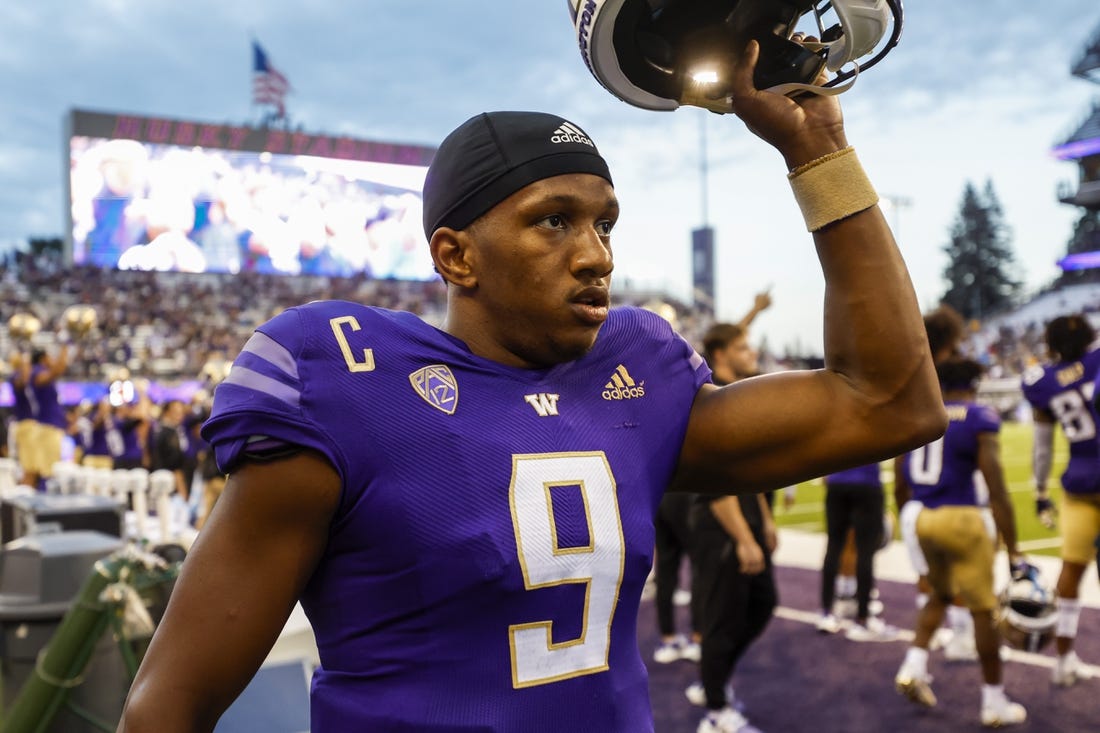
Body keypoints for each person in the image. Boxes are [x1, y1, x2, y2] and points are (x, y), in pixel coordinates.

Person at [119, 41, 945, 733]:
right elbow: (169, 705)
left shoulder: (635, 377)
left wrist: (819, 154)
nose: (597, 255)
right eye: (554, 220)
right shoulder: (346, 377)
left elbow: (892, 401)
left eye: (603, 222)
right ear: (456, 257)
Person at [893, 357, 1028, 727]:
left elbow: (900, 482)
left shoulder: (921, 414)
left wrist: (910, 516)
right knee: (983, 611)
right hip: (962, 517)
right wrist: (1013, 545)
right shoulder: (978, 416)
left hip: (923, 516)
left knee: (939, 593)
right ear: (974, 383)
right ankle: (993, 701)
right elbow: (996, 486)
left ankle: (913, 666)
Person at [652, 290, 771, 667]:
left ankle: (673, 638)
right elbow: (724, 344)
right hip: (696, 498)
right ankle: (702, 644)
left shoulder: (670, 379)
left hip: (666, 488)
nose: (749, 352)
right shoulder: (709, 386)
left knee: (671, 569)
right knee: (704, 576)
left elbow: (725, 342)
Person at [685, 320, 779, 733]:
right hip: (721, 526)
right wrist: (743, 537)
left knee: (762, 604)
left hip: (746, 517)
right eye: (742, 348)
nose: (751, 353)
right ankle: (716, 712)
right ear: (721, 355)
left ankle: (714, 682)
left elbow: (748, 471)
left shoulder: (738, 394)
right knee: (721, 620)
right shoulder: (710, 398)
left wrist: (766, 519)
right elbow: (715, 484)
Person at [1022, 314, 1100, 686]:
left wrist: (1040, 492)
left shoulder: (1043, 382)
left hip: (1079, 484)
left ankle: (1064, 660)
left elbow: (1042, 447)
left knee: (1071, 570)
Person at [816, 462, 895, 641]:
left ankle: (826, 613)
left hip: (836, 481)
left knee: (834, 546)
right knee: (865, 552)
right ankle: (862, 619)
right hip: (866, 483)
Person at [27, 345, 70, 487]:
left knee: (50, 469)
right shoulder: (37, 372)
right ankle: (46, 504)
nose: (51, 359)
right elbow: (57, 370)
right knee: (49, 470)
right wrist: (65, 347)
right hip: (47, 428)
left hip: (48, 427)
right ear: (43, 358)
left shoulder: (37, 372)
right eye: (49, 357)